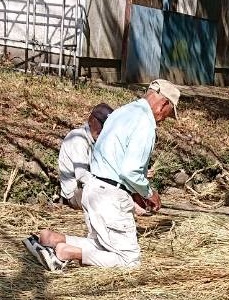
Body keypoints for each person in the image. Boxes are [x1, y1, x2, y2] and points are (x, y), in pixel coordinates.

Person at [22, 79, 180, 271]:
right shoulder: (145, 123)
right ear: (164, 104)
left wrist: (133, 191)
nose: (163, 119)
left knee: (102, 245)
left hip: (94, 189)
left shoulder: (121, 112)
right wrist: (148, 193)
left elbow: (110, 159)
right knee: (130, 262)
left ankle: (53, 239)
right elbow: (130, 171)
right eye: (168, 114)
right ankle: (65, 253)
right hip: (111, 197)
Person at [58, 103, 113, 210]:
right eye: (101, 125)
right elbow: (82, 176)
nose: (103, 130)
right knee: (112, 201)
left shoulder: (97, 140)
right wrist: (106, 185)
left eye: (107, 127)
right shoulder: (78, 139)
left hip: (91, 187)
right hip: (75, 193)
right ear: (91, 120)